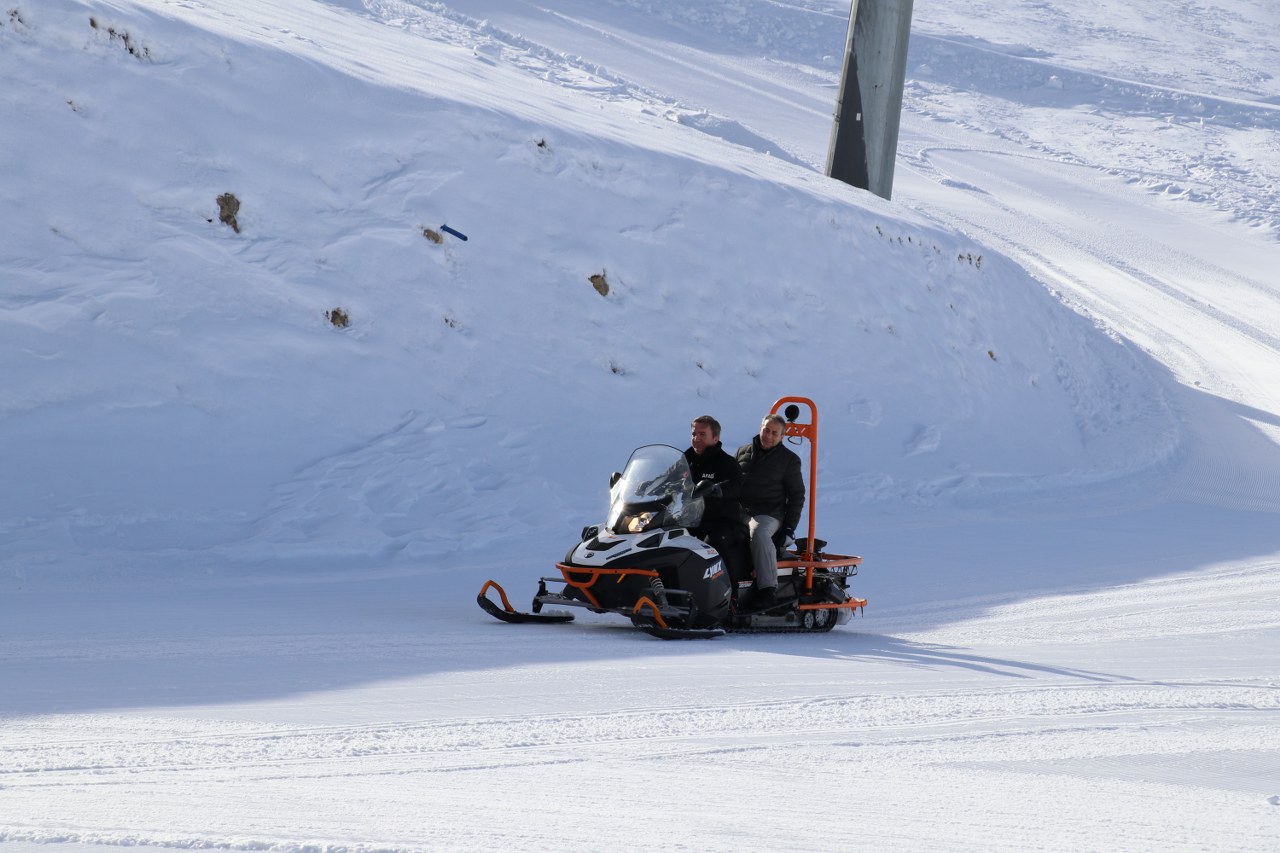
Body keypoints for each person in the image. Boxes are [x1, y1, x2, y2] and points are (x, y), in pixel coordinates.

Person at [735, 412, 804, 607]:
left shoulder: (789, 460)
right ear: (760, 428)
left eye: (775, 433)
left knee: (759, 532)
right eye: (766, 430)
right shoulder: (743, 452)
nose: (768, 436)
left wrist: (789, 528)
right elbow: (730, 481)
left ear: (782, 436)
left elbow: (797, 496)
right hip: (741, 511)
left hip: (769, 513)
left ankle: (767, 589)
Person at [683, 416, 745, 577]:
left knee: (709, 550)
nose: (696, 438)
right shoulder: (686, 459)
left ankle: (730, 594)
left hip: (720, 523)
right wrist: (647, 484)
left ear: (715, 438)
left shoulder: (726, 462)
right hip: (691, 521)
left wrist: (717, 489)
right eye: (694, 434)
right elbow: (668, 476)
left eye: (702, 434)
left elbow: (737, 485)